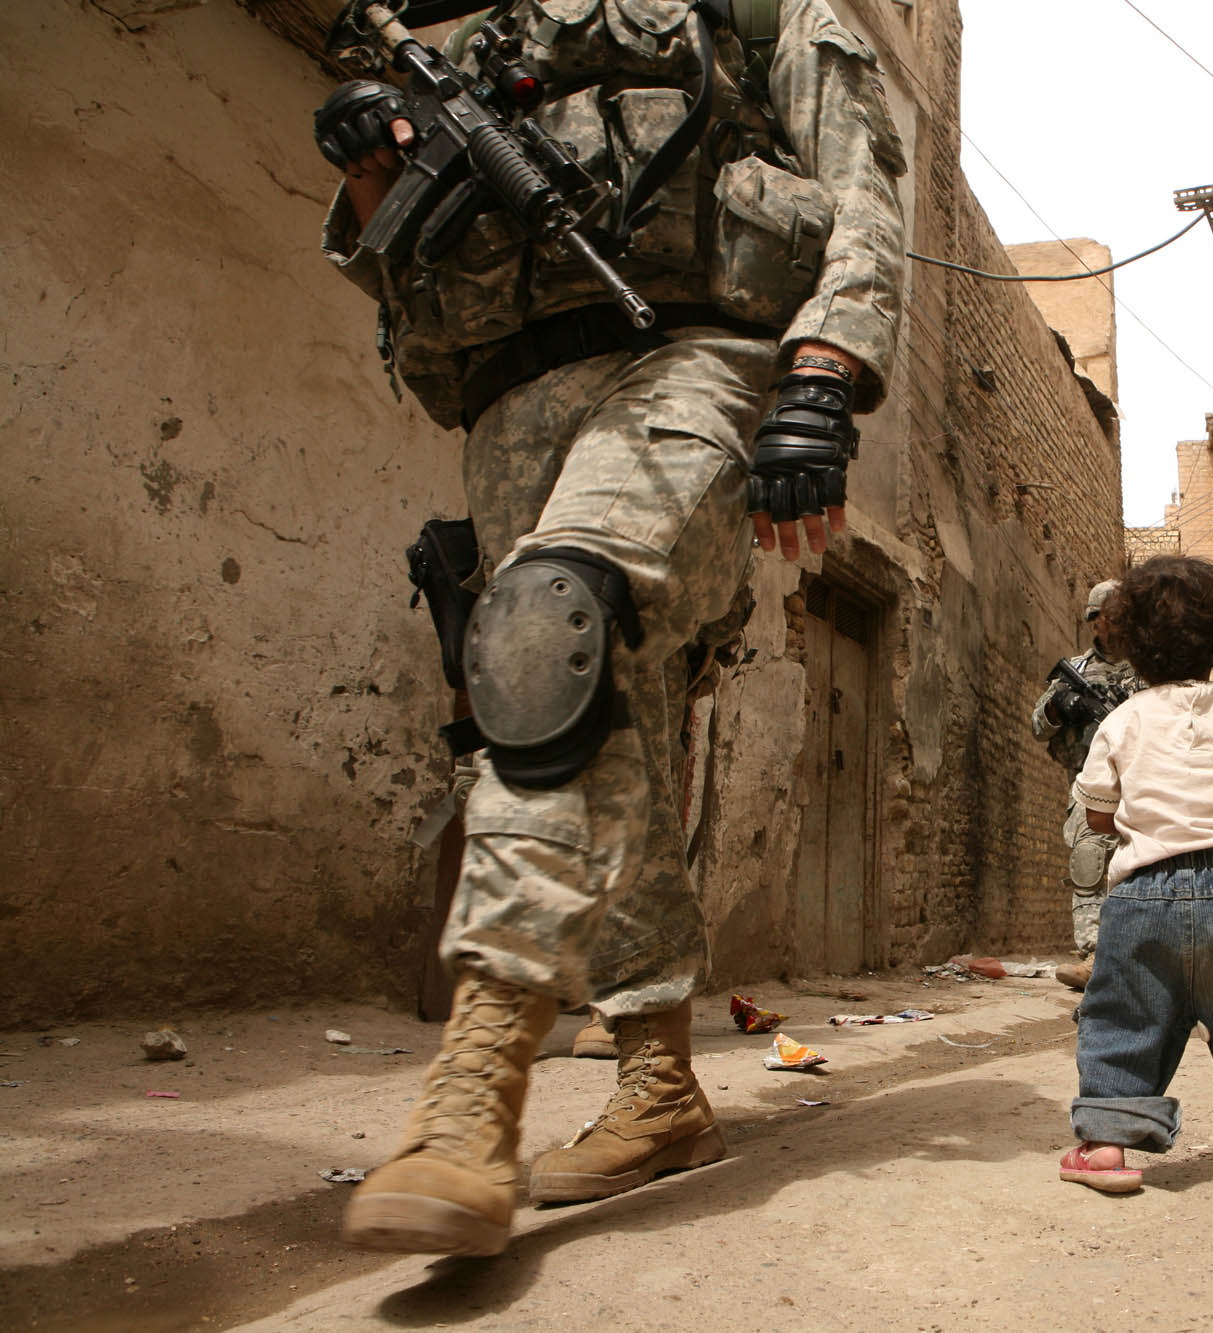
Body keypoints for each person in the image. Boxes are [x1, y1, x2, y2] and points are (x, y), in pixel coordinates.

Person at [314, 0, 908, 1256]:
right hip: (509, 398)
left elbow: (858, 187)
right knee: (587, 718)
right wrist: (373, 165)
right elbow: (398, 266)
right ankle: (660, 1085)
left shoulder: (750, 8)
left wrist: (823, 371)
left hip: (691, 356)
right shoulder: (476, 36)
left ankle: (471, 1099)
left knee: (550, 623)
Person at [1057, 555, 1213, 1197]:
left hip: (1145, 891)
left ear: (1134, 645)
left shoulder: (1121, 720)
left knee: (1124, 1016)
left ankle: (1109, 1145)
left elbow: (1097, 811)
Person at [1029, 580, 1139, 991]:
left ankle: (1140, 957)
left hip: (1142, 785)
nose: (1113, 625)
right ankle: (1092, 957)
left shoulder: (1149, 671)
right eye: (1106, 616)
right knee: (1089, 863)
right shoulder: (1076, 671)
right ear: (1095, 620)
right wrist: (1060, 705)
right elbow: (1038, 727)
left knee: (1141, 867)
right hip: (1088, 784)